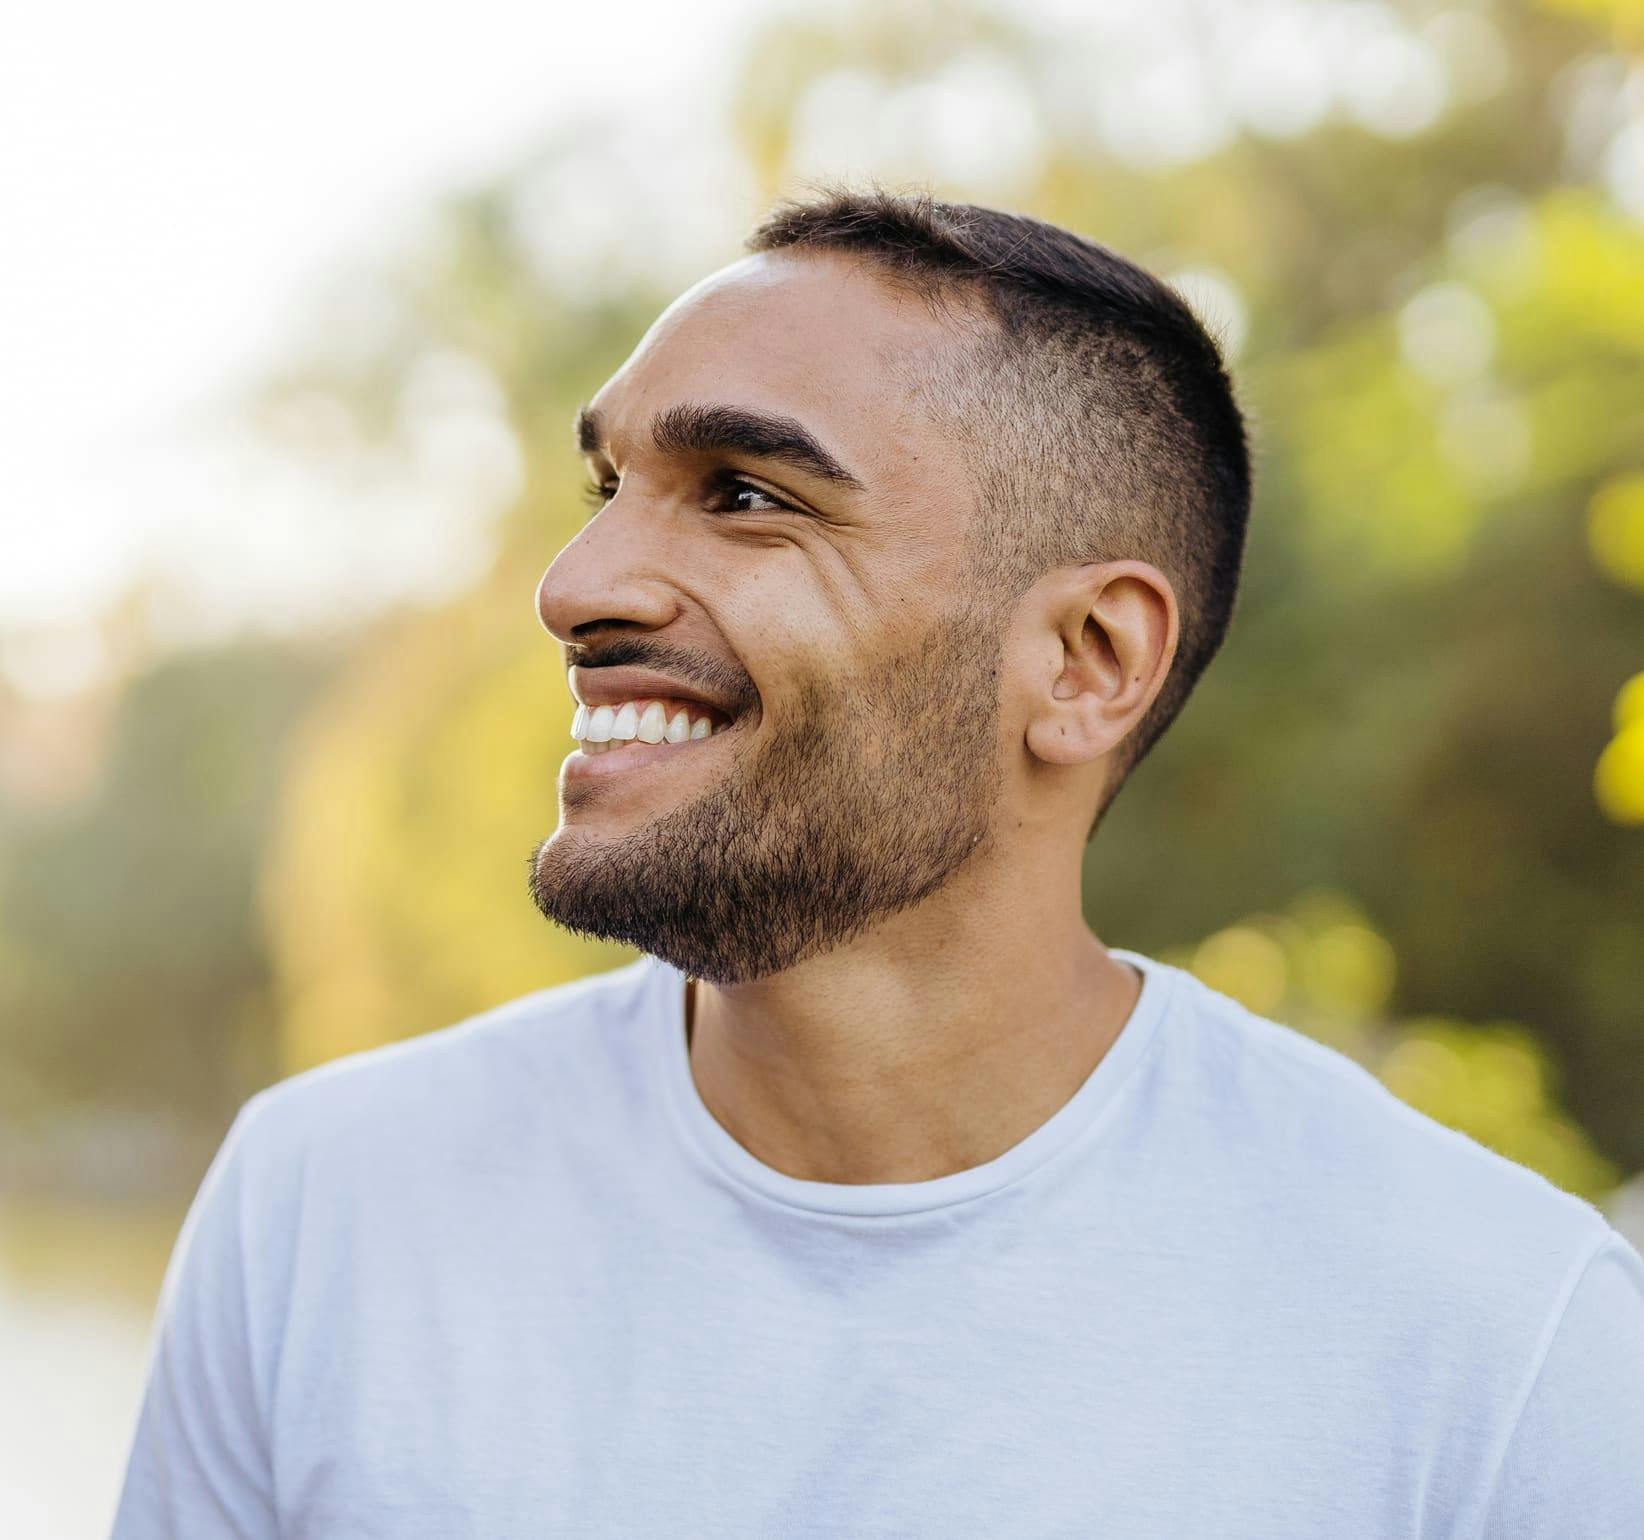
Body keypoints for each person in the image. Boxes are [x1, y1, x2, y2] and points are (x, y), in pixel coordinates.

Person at [111, 183, 1644, 1539]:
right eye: (609, 489)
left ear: (1089, 661)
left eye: (750, 497)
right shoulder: (325, 1208)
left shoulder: (1499, 1342)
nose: (576, 586)